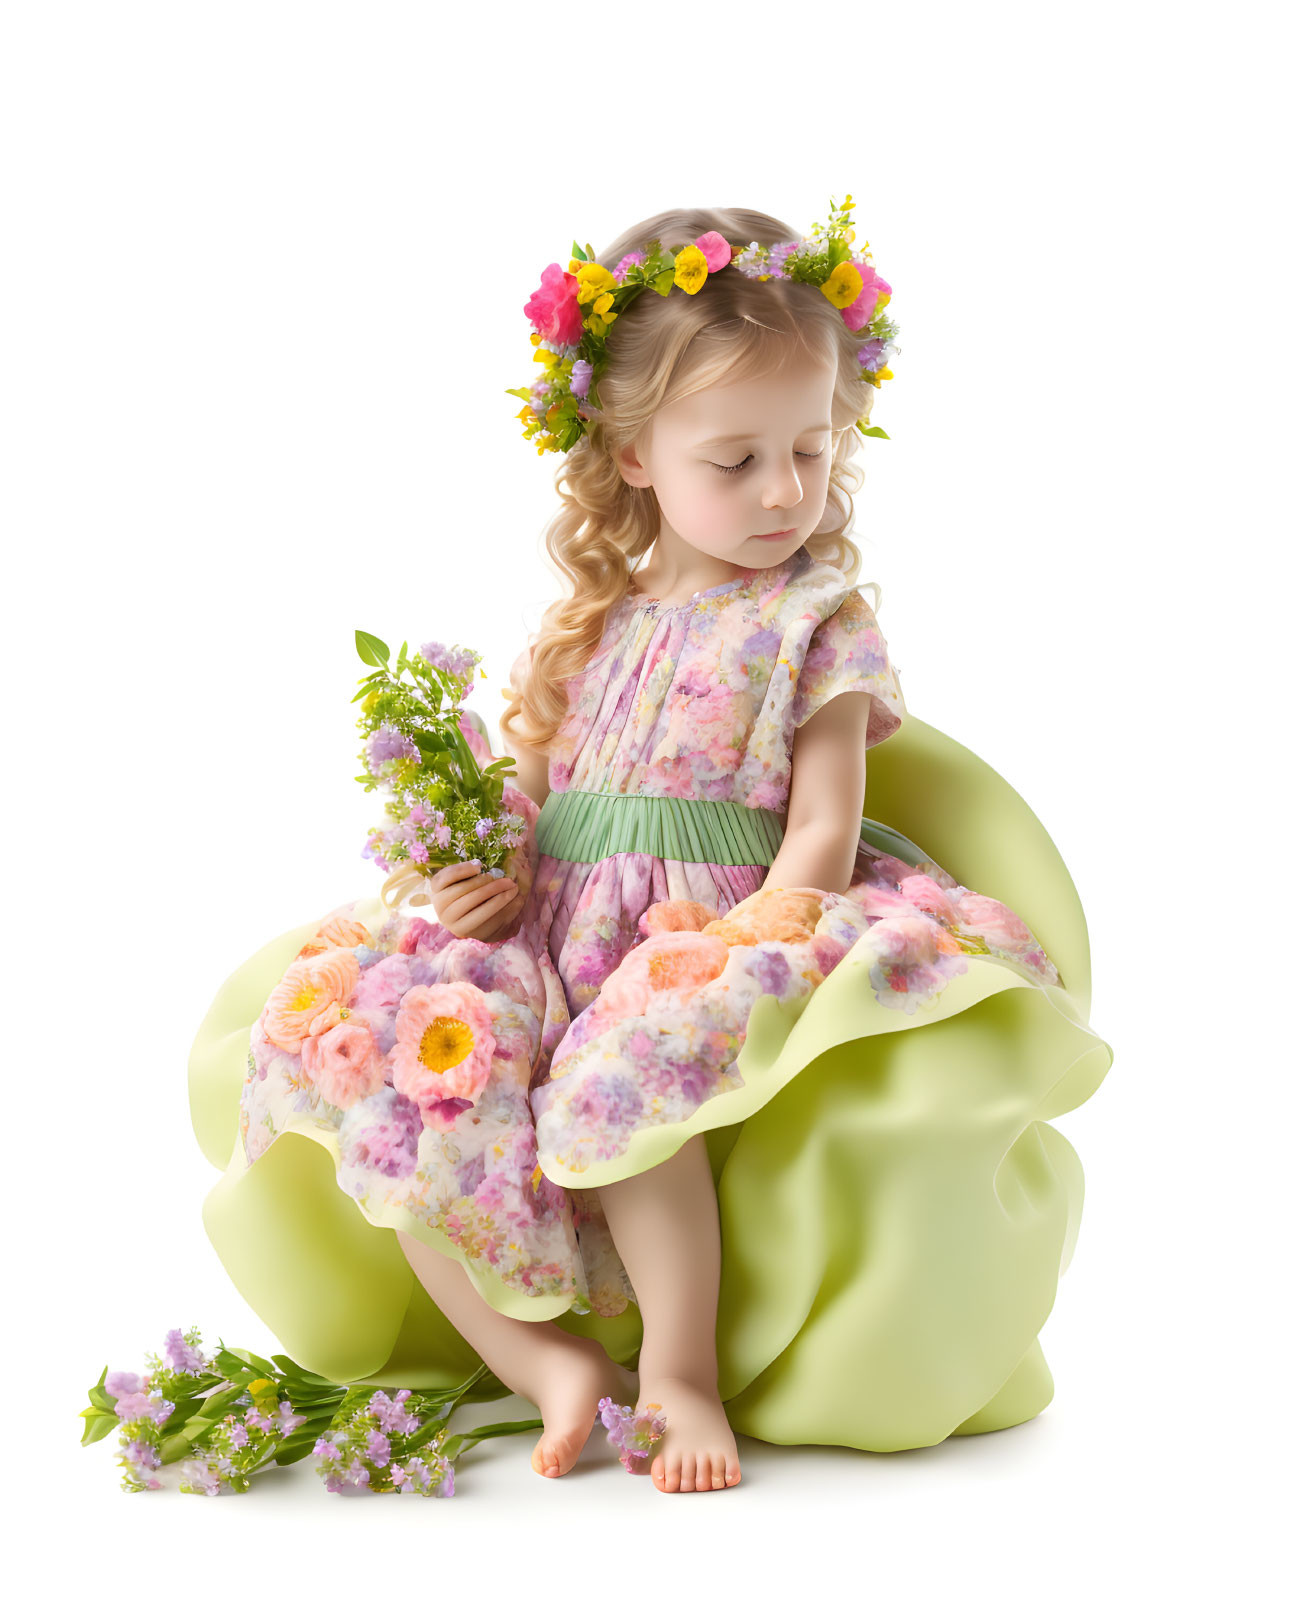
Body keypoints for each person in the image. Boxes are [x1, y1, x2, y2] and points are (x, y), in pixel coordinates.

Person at [191, 199, 1112, 1495]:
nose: (785, 490)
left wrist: (757, 927)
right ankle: (536, 1364)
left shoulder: (815, 620)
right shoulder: (601, 619)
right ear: (631, 455)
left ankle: (678, 1371)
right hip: (555, 925)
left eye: (811, 448)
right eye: (735, 461)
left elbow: (825, 820)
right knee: (394, 1075)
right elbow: (535, 790)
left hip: (713, 919)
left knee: (630, 1080)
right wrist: (487, 875)